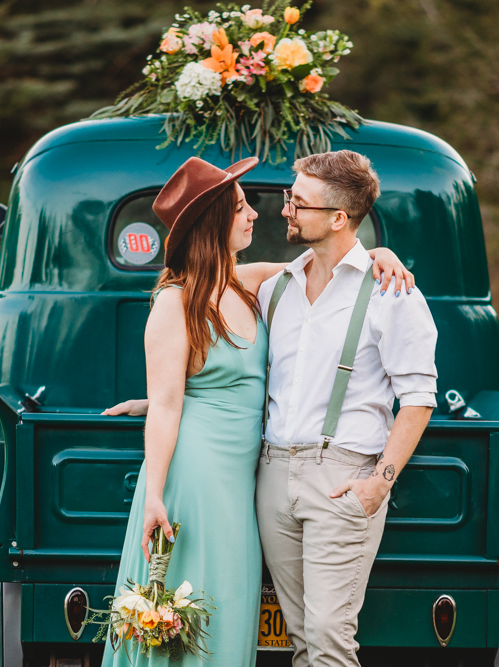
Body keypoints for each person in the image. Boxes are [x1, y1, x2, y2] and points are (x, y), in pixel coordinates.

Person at [100, 155, 412, 667]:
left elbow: (334, 261)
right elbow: (168, 407)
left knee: (227, 602)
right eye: (241, 208)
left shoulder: (252, 283)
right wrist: (154, 494)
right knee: (183, 606)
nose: (254, 216)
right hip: (195, 475)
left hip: (245, 479)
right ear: (212, 225)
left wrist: (381, 252)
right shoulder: (174, 302)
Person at [254, 150, 437, 667]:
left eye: (297, 202)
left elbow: (419, 397)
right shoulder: (277, 287)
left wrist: (380, 482)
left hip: (341, 476)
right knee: (301, 641)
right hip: (272, 476)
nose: (285, 209)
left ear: (338, 218)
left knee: (331, 639)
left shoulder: (392, 291)